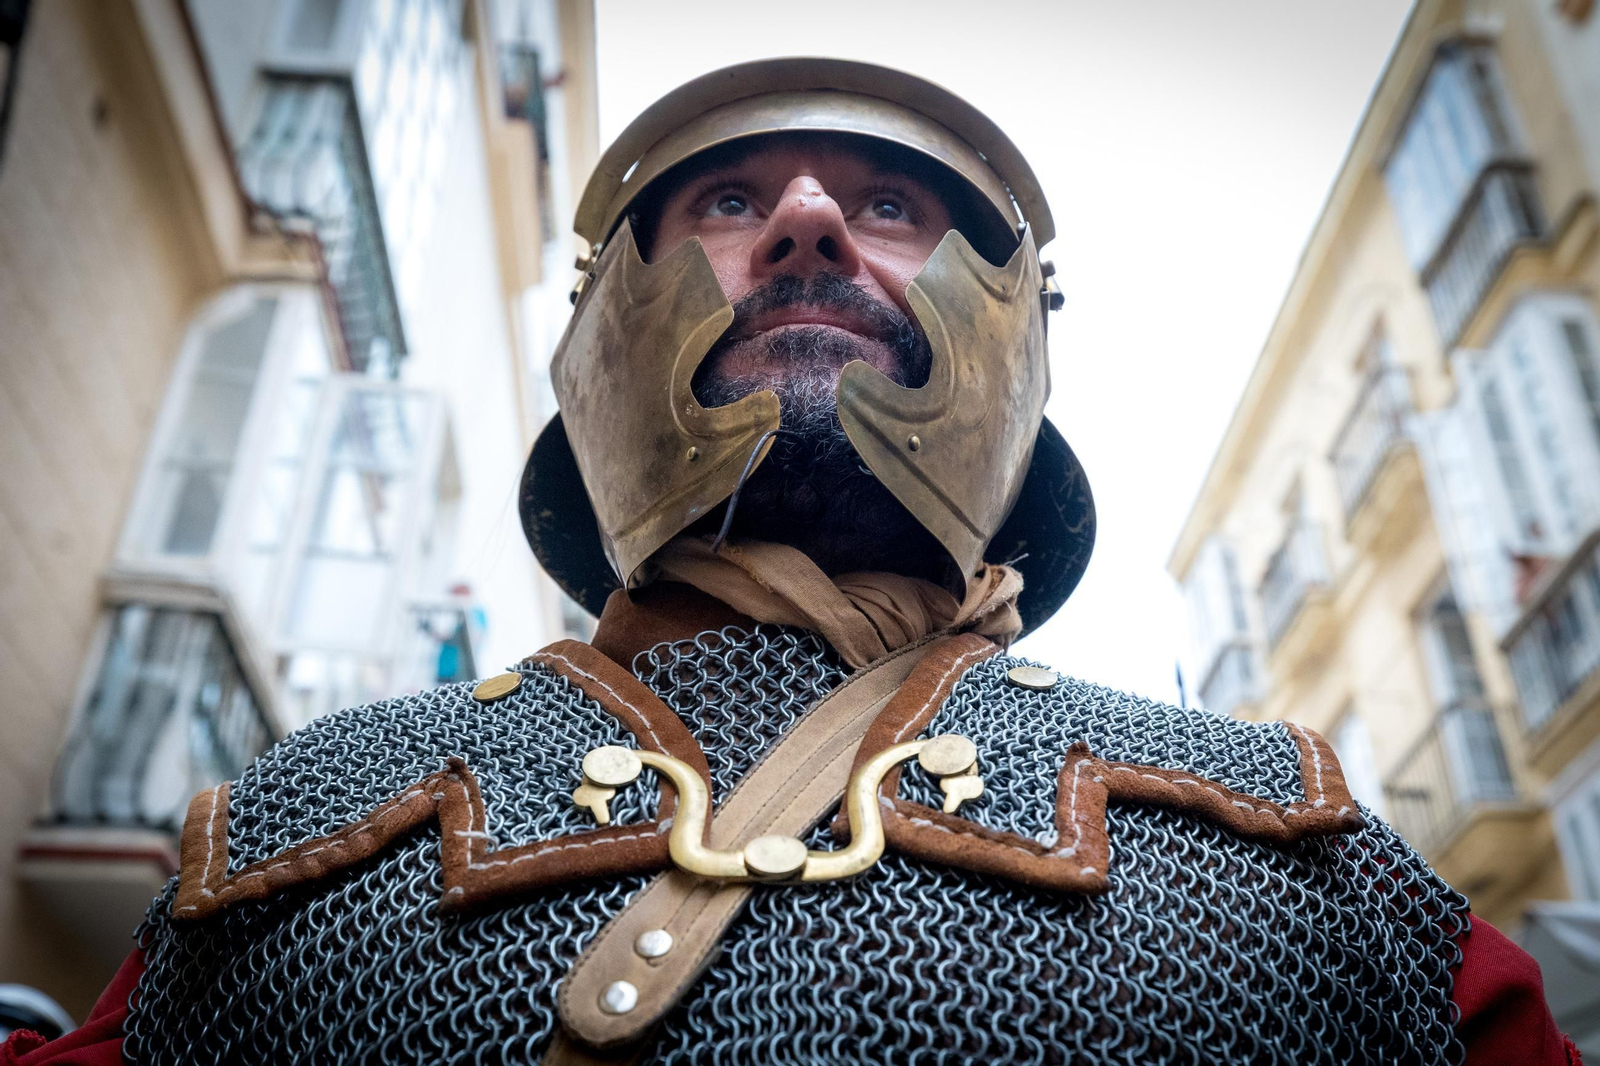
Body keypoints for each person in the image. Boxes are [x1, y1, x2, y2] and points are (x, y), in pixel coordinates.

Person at [5, 58, 1577, 1066]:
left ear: (1014, 328)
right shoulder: (305, 839)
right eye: (729, 200)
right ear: (605, 333)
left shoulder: (1285, 858)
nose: (810, 221)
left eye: (888, 203)